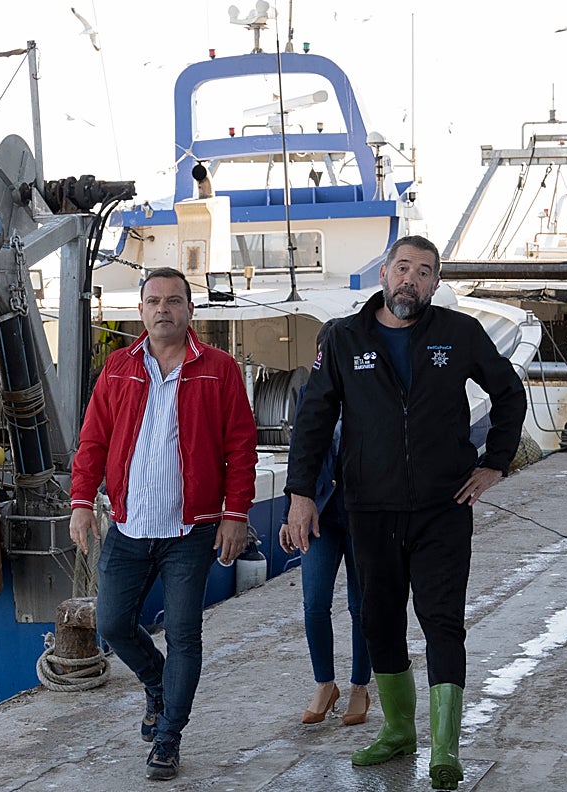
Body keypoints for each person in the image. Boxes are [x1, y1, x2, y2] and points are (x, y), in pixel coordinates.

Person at [285, 235, 526, 791]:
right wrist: (301, 493)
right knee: (379, 622)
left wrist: (496, 463)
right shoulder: (344, 338)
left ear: (435, 283)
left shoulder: (459, 333)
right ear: (383, 275)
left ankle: (445, 747)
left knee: (442, 621)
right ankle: (398, 731)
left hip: (444, 507)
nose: (410, 280)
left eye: (423, 271)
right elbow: (315, 419)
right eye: (402, 268)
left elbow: (509, 393)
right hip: (369, 509)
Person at [69, 266, 258, 782]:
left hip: (189, 530)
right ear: (141, 308)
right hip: (129, 527)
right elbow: (93, 441)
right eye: (154, 300)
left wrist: (236, 513)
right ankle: (156, 685)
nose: (163, 309)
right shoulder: (117, 367)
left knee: (184, 635)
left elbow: (241, 447)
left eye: (174, 301)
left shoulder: (218, 369)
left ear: (190, 310)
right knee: (111, 623)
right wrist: (81, 501)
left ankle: (168, 738)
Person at [278, 319, 371, 727]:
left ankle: (359, 687)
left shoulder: (370, 397)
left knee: (360, 607)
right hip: (318, 515)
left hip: (363, 515)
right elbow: (300, 454)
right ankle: (324, 684)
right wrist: (290, 512)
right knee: (314, 603)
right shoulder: (308, 396)